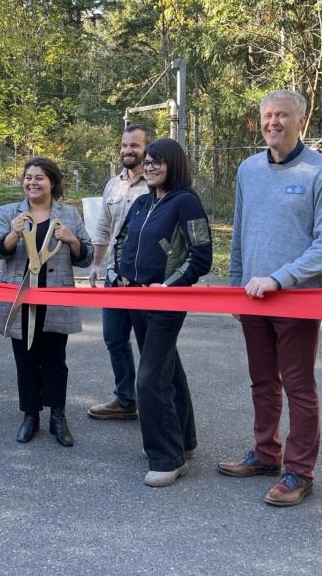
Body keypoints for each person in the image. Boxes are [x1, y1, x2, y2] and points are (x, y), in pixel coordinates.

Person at [220, 90, 322, 506]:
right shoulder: (249, 169)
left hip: (297, 300)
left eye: (282, 115)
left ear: (300, 121)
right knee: (262, 381)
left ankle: (299, 471)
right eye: (268, 115)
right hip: (252, 298)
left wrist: (280, 279)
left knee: (298, 386)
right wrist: (237, 286)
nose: (273, 122)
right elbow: (240, 232)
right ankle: (265, 454)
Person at [115, 138, 212, 485]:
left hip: (166, 302)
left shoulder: (186, 202)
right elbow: (122, 240)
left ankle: (167, 458)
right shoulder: (142, 202)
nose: (151, 167)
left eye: (158, 161)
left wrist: (168, 286)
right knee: (167, 369)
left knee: (149, 378)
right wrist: (120, 272)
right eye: (148, 162)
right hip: (135, 298)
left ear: (173, 164)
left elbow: (201, 257)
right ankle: (184, 441)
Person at [0, 157, 94, 446]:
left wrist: (72, 240)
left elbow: (85, 257)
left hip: (56, 299)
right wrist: (13, 234)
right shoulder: (8, 212)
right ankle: (30, 415)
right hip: (19, 298)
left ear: (52, 182)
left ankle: (57, 416)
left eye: (39, 177)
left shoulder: (69, 215)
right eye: (28, 177)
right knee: (25, 359)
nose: (32, 182)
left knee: (55, 360)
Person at [86, 124, 152, 420]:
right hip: (114, 277)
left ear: (147, 148)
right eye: (124, 145)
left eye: (134, 145)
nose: (127, 150)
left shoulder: (156, 183)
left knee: (150, 346)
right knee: (114, 339)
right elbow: (103, 227)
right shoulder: (113, 185)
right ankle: (125, 400)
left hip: (145, 283)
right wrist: (96, 263)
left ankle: (154, 404)